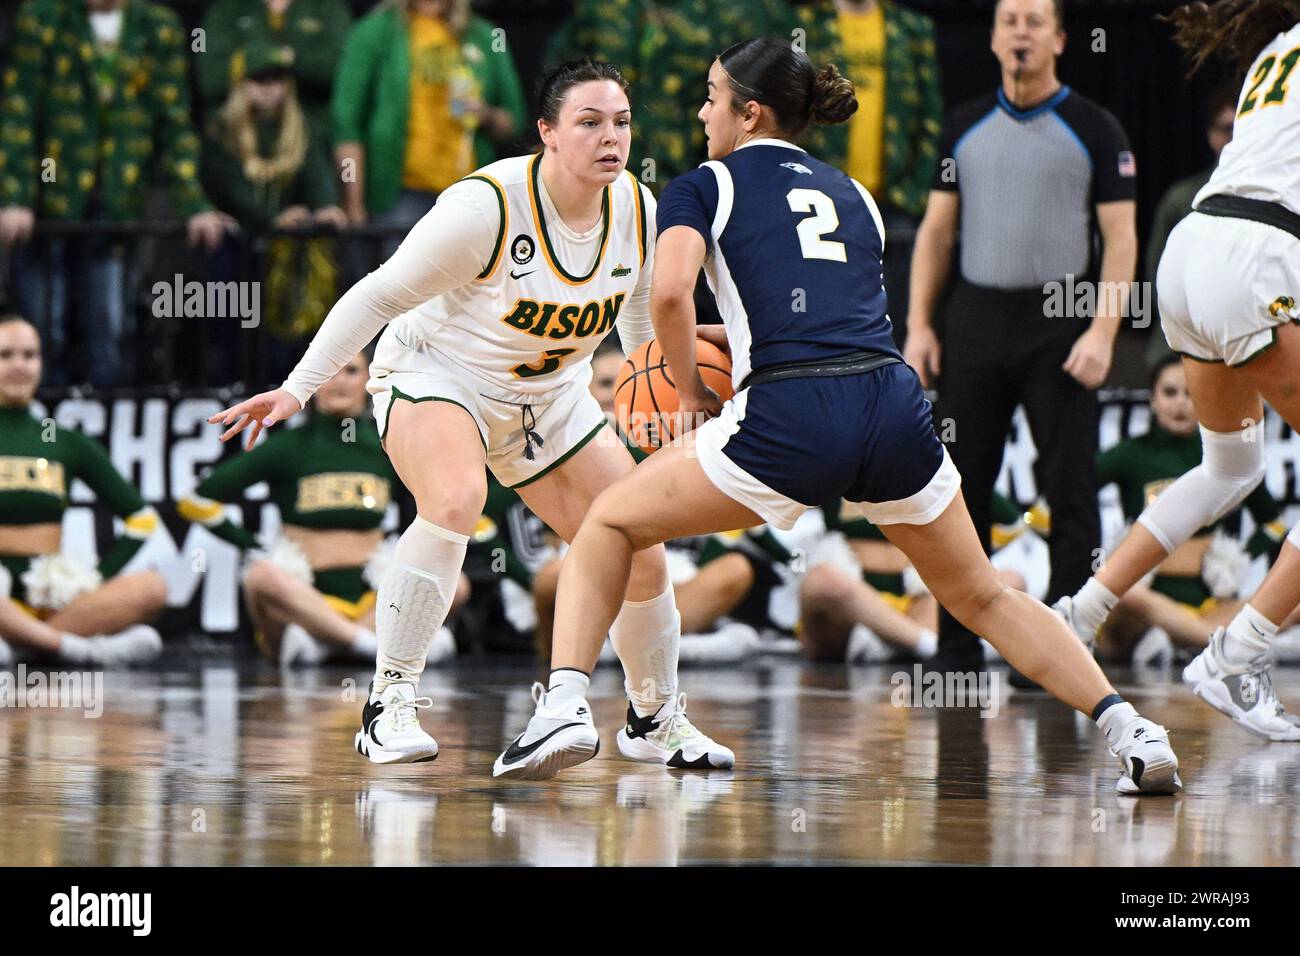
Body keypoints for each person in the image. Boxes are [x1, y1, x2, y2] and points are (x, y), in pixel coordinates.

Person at [503, 37, 1180, 795]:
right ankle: (1133, 730)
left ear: (747, 112)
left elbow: (666, 296)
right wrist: (721, 344)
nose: (700, 112)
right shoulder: (852, 193)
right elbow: (816, 312)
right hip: (889, 402)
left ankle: (564, 704)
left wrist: (691, 392)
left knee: (609, 524)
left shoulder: (701, 186)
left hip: (794, 411)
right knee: (983, 594)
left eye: (710, 96)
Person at [208, 60, 735, 775]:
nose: (610, 138)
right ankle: (387, 704)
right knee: (456, 497)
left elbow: (639, 328)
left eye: (621, 122)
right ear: (547, 132)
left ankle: (654, 718)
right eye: (589, 122)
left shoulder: (639, 210)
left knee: (638, 538)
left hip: (548, 394)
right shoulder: (485, 207)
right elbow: (377, 293)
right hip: (435, 370)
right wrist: (297, 389)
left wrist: (669, 385)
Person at [1054, 0, 1300, 742]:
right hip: (1257, 252)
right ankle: (1237, 653)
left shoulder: (1279, 47)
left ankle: (1081, 611)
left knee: (1229, 466)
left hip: (1194, 246)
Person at [902, 0, 1138, 675]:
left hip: (1060, 323)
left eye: (1035, 22)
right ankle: (955, 648)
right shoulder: (965, 125)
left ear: (1061, 39)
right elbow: (938, 234)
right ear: (996, 37)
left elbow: (1121, 240)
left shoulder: (1096, 128)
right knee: (956, 488)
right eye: (1010, 21)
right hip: (975, 318)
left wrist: (1102, 330)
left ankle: (1063, 654)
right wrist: (920, 325)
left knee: (1069, 487)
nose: (1021, 33)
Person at [178, 352, 464, 667]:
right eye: (328, 371)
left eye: (351, 371)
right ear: (311, 382)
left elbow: (441, 502)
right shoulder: (288, 446)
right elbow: (196, 501)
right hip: (304, 604)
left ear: (371, 378)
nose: (339, 381)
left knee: (456, 582)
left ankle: (333, 643)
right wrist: (252, 546)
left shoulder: (389, 444)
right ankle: (376, 648)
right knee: (260, 577)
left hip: (374, 601)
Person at [0, 0, 230, 386]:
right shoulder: (42, 17)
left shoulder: (158, 26)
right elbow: (18, 112)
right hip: (47, 207)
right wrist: (15, 196)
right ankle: (41, 430)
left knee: (109, 330)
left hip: (118, 207)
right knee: (44, 330)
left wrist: (194, 203)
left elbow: (175, 123)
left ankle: (97, 435)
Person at [1088, 357, 1291, 662]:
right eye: (1170, 393)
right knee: (1124, 594)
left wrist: (1238, 558)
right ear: (1152, 400)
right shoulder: (1129, 455)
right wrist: (1106, 553)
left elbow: (1273, 525)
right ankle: (1224, 647)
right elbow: (1067, 500)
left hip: (1209, 606)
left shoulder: (1227, 458)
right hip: (1142, 603)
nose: (1180, 403)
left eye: (1191, 393)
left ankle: (1197, 642)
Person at [0, 316, 164, 667]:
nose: (19, 365)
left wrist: (92, 581)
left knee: (153, 587)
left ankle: (24, 646)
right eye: (6, 355)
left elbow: (141, 520)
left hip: (49, 601)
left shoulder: (63, 441)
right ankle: (84, 650)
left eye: (29, 355)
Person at [795, 0, 944, 344]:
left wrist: (914, 195)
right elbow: (791, 115)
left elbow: (931, 118)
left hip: (892, 208)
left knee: (895, 323)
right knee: (817, 320)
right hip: (818, 205)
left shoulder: (911, 28)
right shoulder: (804, 25)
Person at [332, 0, 526, 240]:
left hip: (470, 192)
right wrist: (353, 204)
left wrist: (486, 114)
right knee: (404, 275)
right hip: (401, 192)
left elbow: (515, 122)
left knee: (468, 276)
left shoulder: (486, 36)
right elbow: (346, 122)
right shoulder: (375, 31)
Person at [1144, 84, 1238, 364]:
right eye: (1227, 129)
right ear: (1211, 135)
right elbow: (1156, 277)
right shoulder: (1182, 199)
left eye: (1243, 130)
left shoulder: (1281, 196)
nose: (1235, 140)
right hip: (1187, 338)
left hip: (1261, 335)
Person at [197, 0, 353, 150]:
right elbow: (209, 77)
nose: (269, 85)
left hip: (313, 131)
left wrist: (288, 68)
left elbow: (344, 71)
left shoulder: (329, 8)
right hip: (237, 135)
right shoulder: (225, 9)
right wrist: (259, 66)